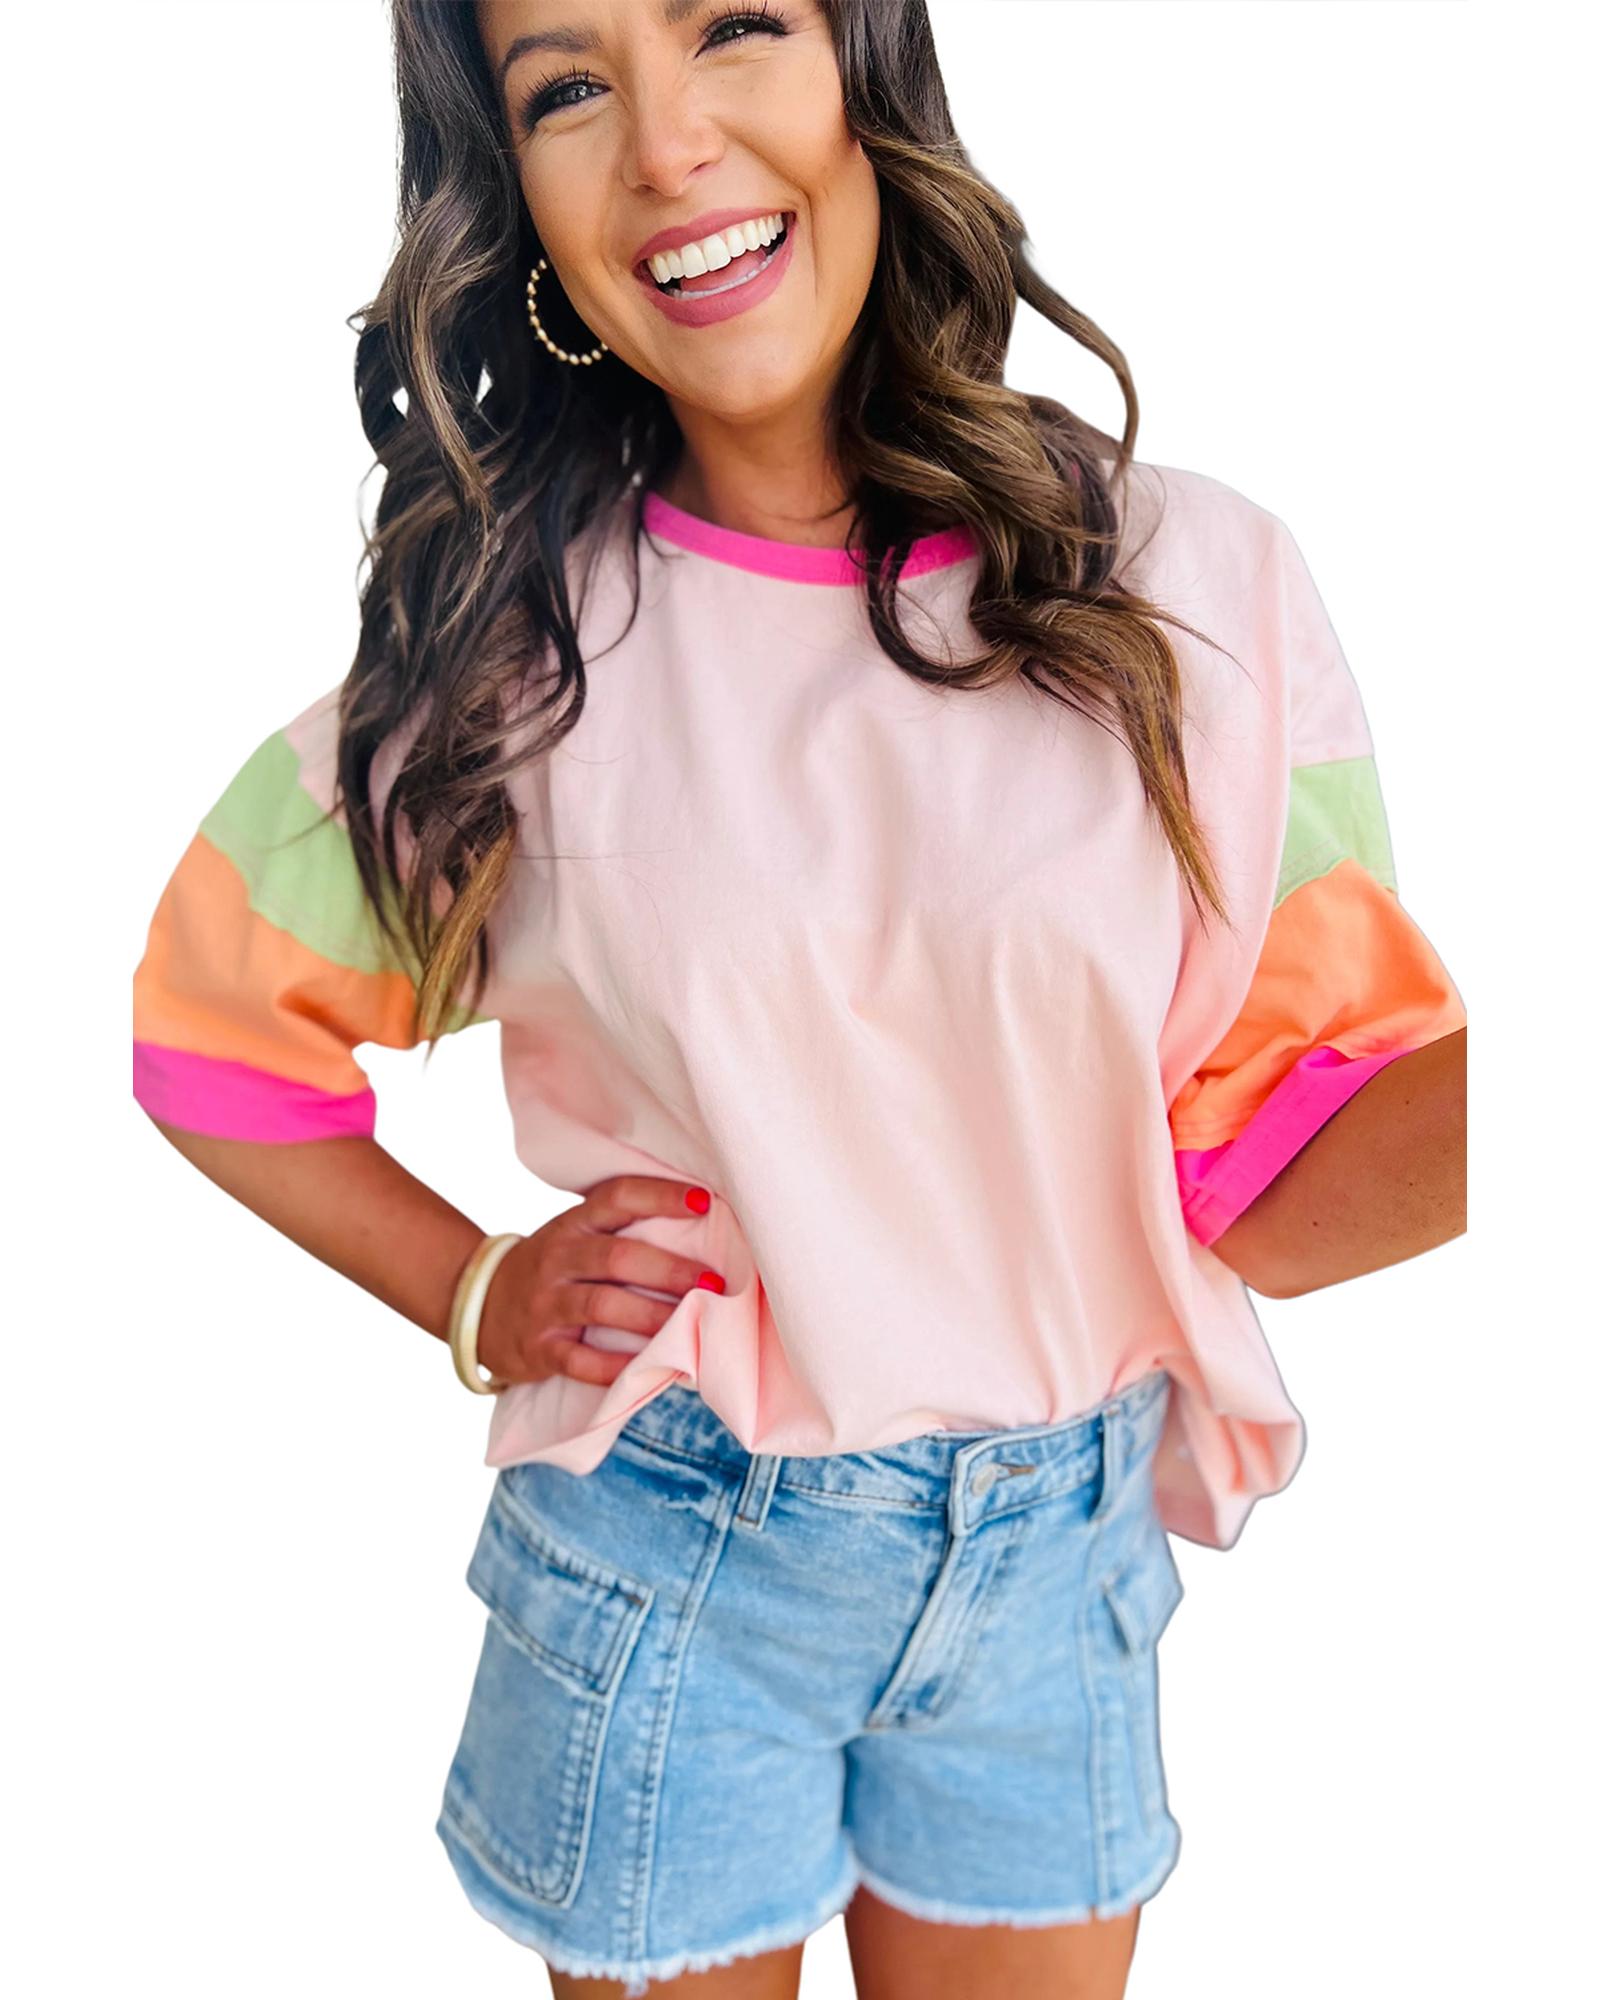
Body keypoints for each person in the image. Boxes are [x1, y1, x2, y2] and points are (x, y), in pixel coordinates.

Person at [129, 2, 1468, 1995]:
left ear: (865, 69)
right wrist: (474, 1290)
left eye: (734, 25)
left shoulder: (1196, 596)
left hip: (1051, 1560)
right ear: (521, 203)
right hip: (677, 1551)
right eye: (566, 88)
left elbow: (1278, 1163)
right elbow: (210, 1039)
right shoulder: (514, 665)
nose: (667, 144)